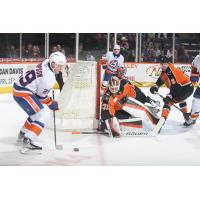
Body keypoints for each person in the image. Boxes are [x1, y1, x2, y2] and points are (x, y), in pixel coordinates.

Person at [13, 51, 67, 152]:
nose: (61, 69)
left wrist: (57, 76)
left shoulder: (46, 62)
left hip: (19, 87)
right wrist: (51, 103)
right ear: (53, 64)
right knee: (44, 113)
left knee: (36, 112)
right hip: (23, 93)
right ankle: (28, 140)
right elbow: (40, 97)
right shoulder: (49, 79)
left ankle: (23, 134)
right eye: (60, 66)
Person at [150, 56, 194, 127]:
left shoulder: (170, 71)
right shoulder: (166, 70)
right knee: (180, 100)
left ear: (168, 63)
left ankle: (160, 123)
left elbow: (176, 87)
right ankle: (187, 119)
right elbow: (161, 80)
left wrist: (169, 96)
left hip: (185, 88)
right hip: (184, 87)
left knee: (168, 102)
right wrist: (155, 87)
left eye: (164, 64)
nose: (162, 65)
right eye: (161, 64)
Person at [184, 54, 200, 126]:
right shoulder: (197, 58)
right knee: (196, 100)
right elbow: (194, 70)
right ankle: (193, 118)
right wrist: (194, 79)